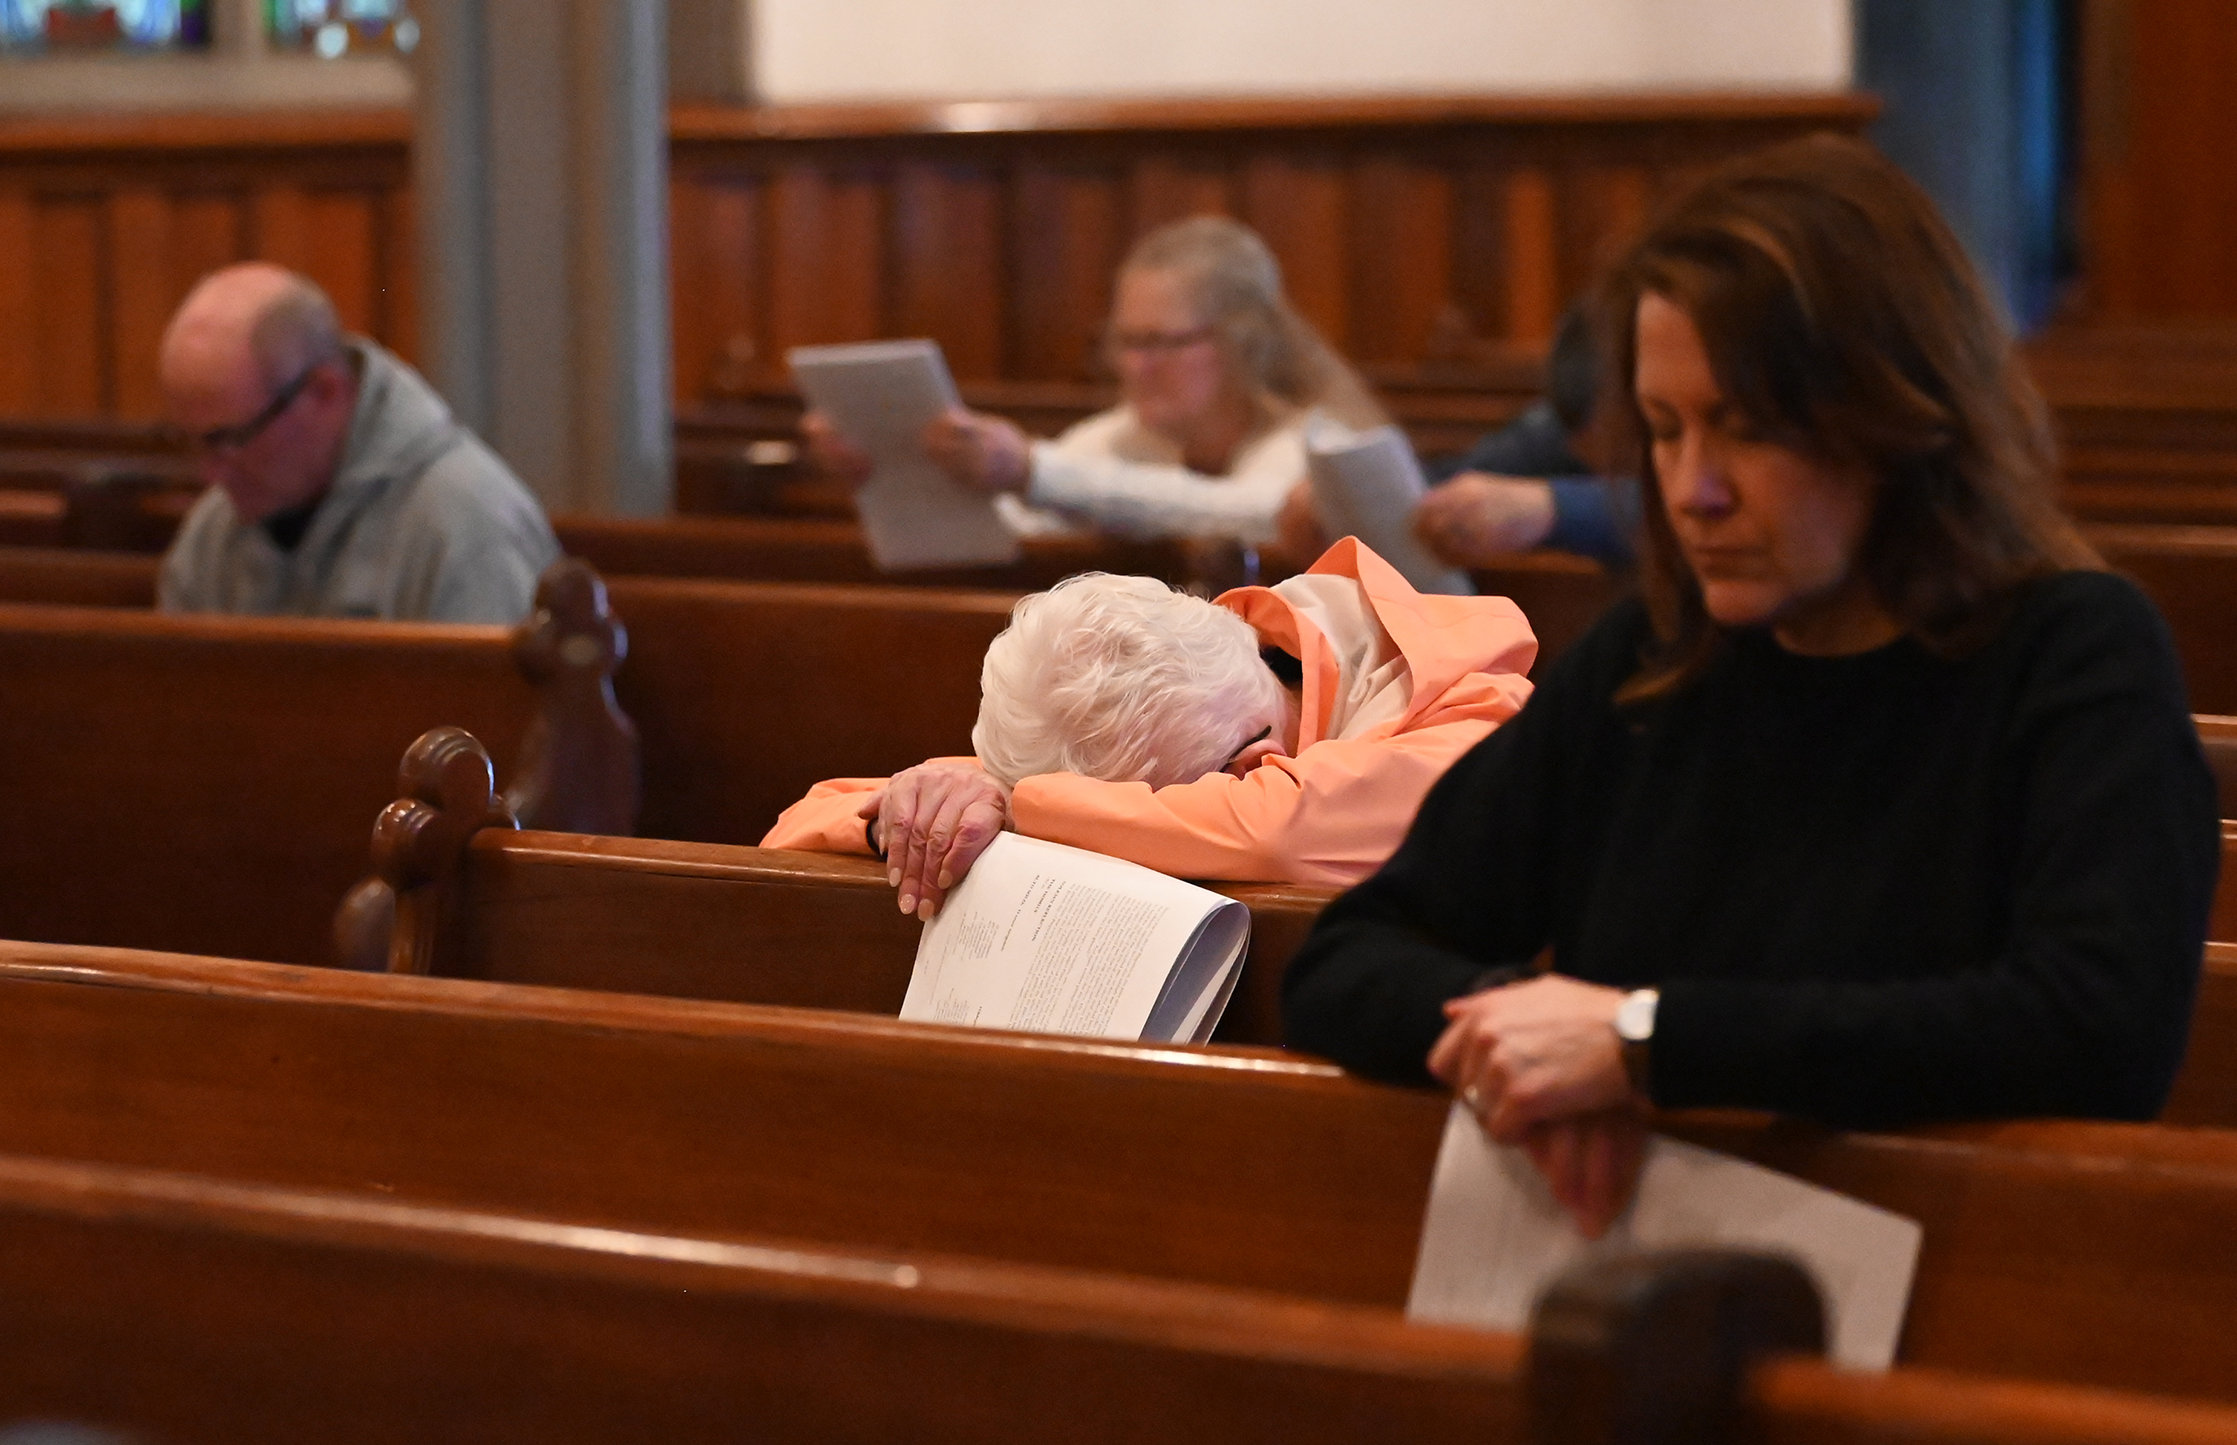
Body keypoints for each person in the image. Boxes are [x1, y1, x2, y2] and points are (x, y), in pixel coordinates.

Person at [1282, 136, 2218, 1237]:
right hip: (1633, 1275)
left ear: (1897, 419)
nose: (1693, 490)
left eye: (1748, 429)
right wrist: (1531, 1049)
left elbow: (2091, 1032)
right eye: (1666, 431)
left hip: (1984, 1267)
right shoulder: (1649, 661)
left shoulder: (2074, 653)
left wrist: (1642, 1044)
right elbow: (1347, 957)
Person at [762, 539, 1535, 909]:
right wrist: (915, 812)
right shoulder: (1197, 704)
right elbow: (790, 836)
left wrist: (1014, 802)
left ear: (1246, 767)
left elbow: (1276, 831)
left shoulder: (1474, 715)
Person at [804, 216, 1390, 558]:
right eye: (1125, 341)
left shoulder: (1317, 436)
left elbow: (1253, 515)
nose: (1136, 366)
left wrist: (1034, 471)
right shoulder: (1113, 439)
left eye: (1161, 343)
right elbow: (1000, 538)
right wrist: (891, 470)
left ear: (1244, 341)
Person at [154, 263, 559, 624]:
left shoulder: (467, 528)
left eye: (230, 440)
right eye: (192, 443)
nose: (211, 474)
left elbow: (493, 707)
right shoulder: (215, 532)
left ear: (323, 392)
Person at [1413, 304, 1641, 568]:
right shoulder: (1561, 420)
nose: (1605, 467)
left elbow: (1672, 509)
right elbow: (1443, 482)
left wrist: (1553, 507)